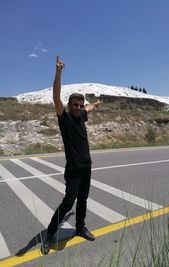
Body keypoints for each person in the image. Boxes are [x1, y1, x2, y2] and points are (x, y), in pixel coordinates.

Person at [41, 56, 102, 255]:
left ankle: (80, 227)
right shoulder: (64, 118)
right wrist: (58, 72)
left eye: (80, 105)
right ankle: (49, 234)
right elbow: (56, 97)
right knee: (68, 202)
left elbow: (89, 109)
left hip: (87, 166)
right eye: (74, 105)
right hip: (74, 170)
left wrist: (94, 105)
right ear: (69, 105)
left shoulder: (82, 114)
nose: (78, 107)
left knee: (83, 199)